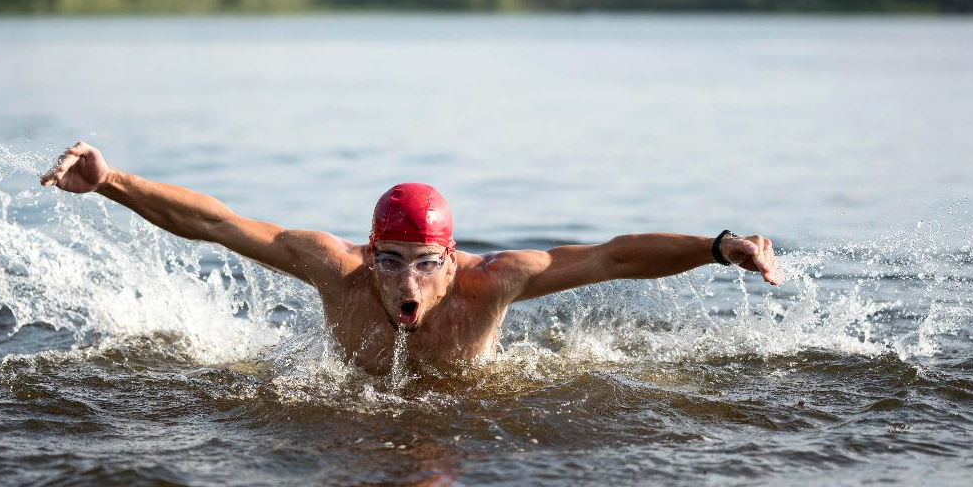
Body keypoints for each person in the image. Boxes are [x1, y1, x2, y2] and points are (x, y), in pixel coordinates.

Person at [41, 141, 782, 372]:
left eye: (426, 262)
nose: (406, 280)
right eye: (389, 260)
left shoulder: (492, 283)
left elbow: (615, 257)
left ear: (452, 259)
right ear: (369, 251)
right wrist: (112, 181)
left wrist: (719, 248)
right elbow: (222, 225)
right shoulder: (334, 266)